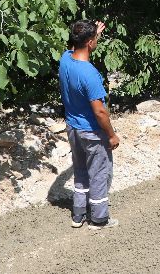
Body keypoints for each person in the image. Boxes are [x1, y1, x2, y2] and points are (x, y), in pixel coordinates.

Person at [59, 19, 120, 229]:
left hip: (73, 128)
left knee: (81, 171)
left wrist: (93, 34)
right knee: (99, 173)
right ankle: (100, 218)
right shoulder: (90, 74)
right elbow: (100, 112)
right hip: (92, 132)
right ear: (91, 42)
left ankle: (79, 215)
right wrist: (111, 135)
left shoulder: (65, 59)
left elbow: (78, 46)